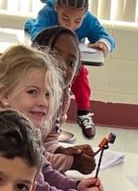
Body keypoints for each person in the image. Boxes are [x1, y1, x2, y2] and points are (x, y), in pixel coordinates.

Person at [0, 45, 103, 191]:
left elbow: (44, 170)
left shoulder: (28, 131)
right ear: (5, 97)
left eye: (47, 94)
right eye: (32, 92)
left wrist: (74, 185)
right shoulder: (8, 139)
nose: (43, 102)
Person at [24, 0, 114, 138]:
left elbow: (107, 38)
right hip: (48, 59)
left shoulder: (88, 20)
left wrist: (103, 44)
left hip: (71, 61)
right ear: (57, 8)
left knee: (80, 76)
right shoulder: (47, 13)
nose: (70, 25)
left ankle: (84, 113)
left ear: (84, 14)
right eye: (65, 18)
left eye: (77, 21)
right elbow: (38, 34)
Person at [32, 26, 96, 173]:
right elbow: (29, 159)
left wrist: (63, 150)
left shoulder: (62, 96)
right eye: (54, 55)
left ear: (75, 74)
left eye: (71, 63)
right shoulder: (28, 96)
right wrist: (71, 163)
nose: (62, 65)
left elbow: (47, 140)